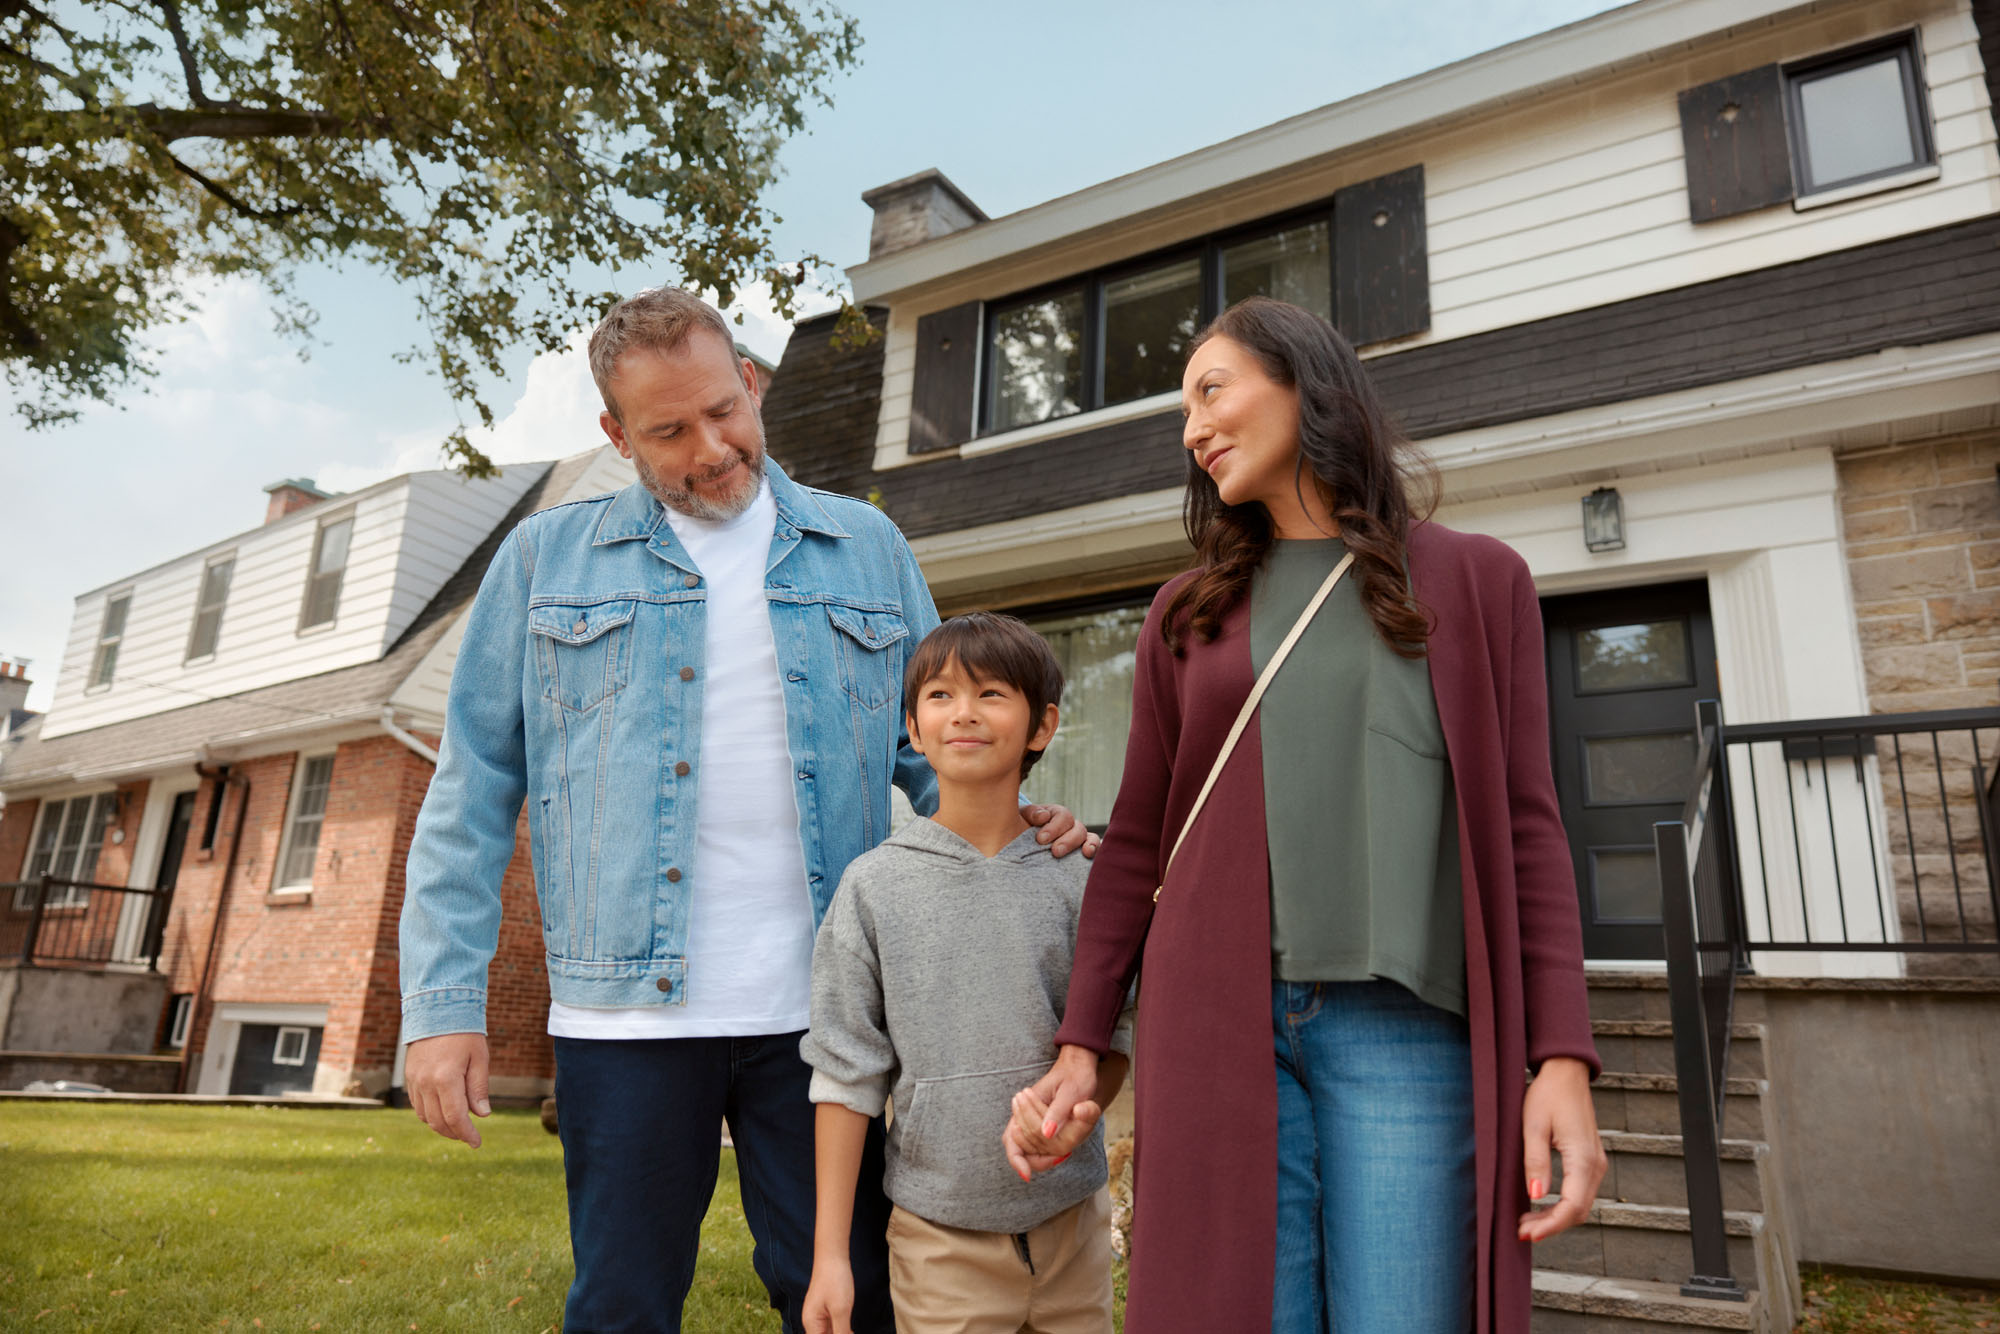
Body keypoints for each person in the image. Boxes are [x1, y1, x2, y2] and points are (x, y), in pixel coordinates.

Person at [396, 287, 1094, 1334]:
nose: (711, 446)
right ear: (614, 433)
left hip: (825, 1010)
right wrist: (444, 1001)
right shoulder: (544, 562)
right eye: (669, 431)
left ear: (751, 384)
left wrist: (1024, 821)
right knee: (622, 1305)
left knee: (844, 1297)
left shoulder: (864, 547)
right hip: (624, 1015)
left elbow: (931, 743)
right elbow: (470, 786)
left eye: (724, 410)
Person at [1011, 296, 1607, 1334]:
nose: (1191, 429)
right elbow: (1137, 842)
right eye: (1181, 413)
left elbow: (1526, 829)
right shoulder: (1182, 613)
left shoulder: (1474, 580)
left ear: (1303, 384)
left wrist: (1559, 1057)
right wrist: (1078, 1042)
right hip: (1211, 1020)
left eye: (1210, 389)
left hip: (1405, 1023)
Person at [798, 613, 1134, 1334]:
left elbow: (1115, 1036)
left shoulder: (1081, 876)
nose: (965, 713)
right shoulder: (872, 888)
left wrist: (1076, 1122)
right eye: (942, 696)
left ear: (1041, 726)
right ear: (913, 731)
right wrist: (831, 1255)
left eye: (991, 693)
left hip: (1072, 1227)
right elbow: (844, 1075)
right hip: (938, 1239)